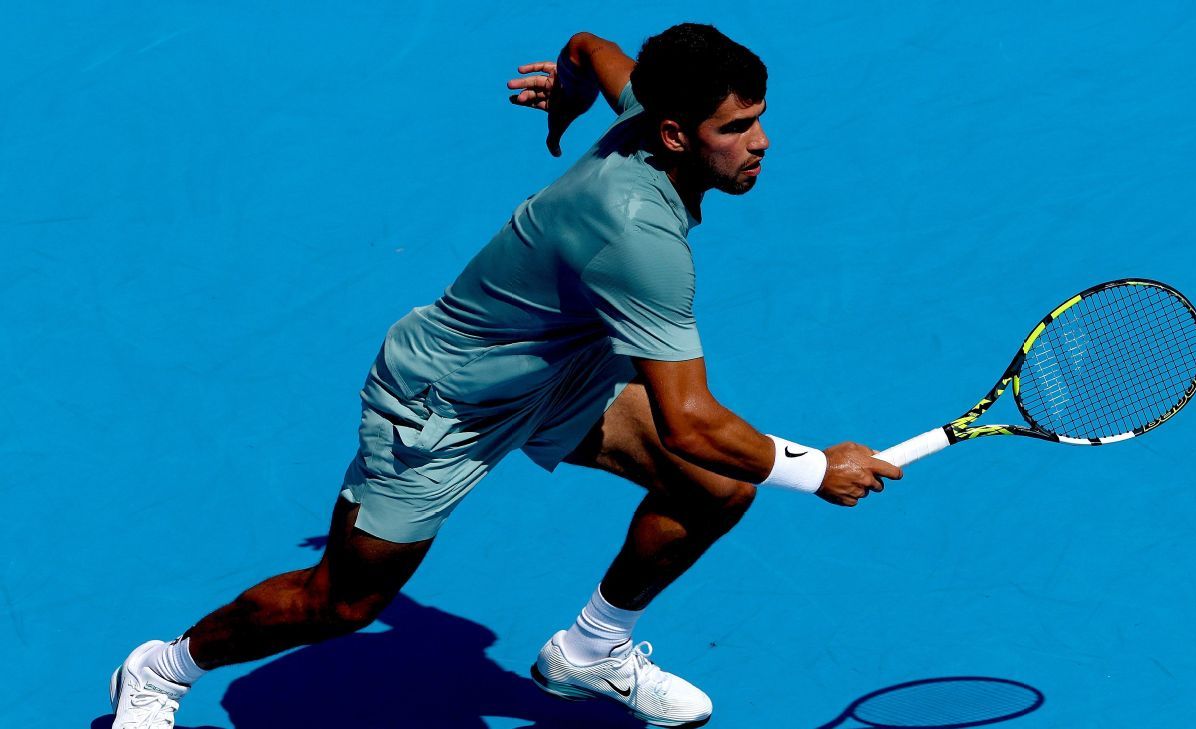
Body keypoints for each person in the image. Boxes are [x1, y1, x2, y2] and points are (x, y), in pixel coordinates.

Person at [108, 23, 902, 729]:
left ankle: (589, 653)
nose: (760, 140)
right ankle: (159, 670)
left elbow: (591, 45)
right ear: (672, 133)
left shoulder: (646, 113)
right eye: (736, 127)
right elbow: (690, 417)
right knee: (343, 601)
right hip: (443, 404)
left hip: (556, 376)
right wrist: (813, 468)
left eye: (759, 117)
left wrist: (569, 90)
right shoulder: (641, 238)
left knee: (713, 487)